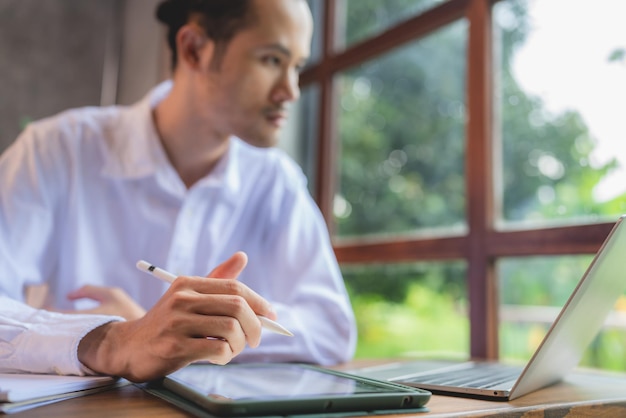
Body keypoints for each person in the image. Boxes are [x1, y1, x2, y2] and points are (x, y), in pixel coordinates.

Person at [0, 0, 356, 382]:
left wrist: (177, 330)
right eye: (272, 60)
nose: (291, 90)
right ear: (194, 49)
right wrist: (113, 337)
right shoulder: (55, 150)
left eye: (297, 67)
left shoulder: (276, 180)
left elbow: (332, 328)